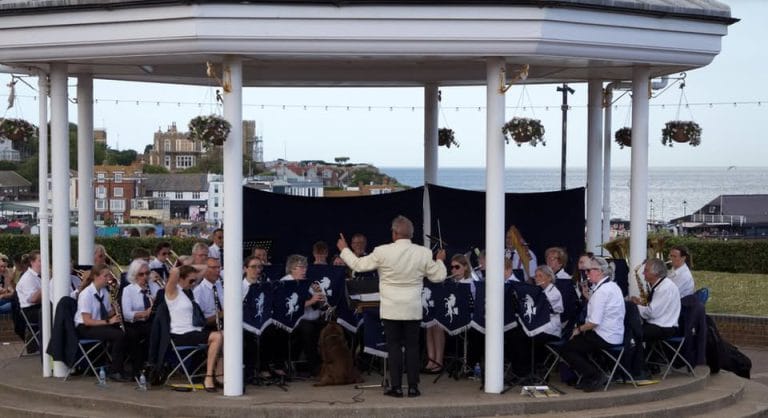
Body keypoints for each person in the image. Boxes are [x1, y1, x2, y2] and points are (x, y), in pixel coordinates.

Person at [338, 215, 447, 398]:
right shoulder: (423, 253)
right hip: (412, 308)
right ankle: (413, 387)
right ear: (410, 234)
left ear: (395, 233)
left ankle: (396, 387)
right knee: (412, 348)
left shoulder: (382, 251)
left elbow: (358, 265)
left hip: (391, 308)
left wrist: (344, 249)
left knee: (394, 347)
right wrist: (440, 260)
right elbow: (439, 276)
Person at [560, 256, 625, 392]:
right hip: (614, 334)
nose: (587, 273)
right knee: (576, 344)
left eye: (590, 271)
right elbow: (603, 308)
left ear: (600, 271)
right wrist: (589, 297)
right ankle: (589, 376)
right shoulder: (612, 286)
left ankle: (594, 375)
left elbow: (594, 322)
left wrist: (577, 329)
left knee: (567, 348)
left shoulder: (602, 291)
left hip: (604, 335)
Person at [165, 264, 223, 392]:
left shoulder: (189, 291)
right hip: (181, 334)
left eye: (195, 281)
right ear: (180, 279)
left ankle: (220, 374)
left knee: (225, 334)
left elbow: (205, 268)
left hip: (195, 331)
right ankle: (208, 377)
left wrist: (191, 271)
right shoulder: (173, 292)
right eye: (190, 280)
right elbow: (174, 271)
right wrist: (182, 265)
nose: (193, 283)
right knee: (217, 336)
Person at [74, 264, 131, 382]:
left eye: (108, 276)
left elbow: (105, 313)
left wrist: (115, 310)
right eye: (105, 276)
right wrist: (109, 321)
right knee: (118, 335)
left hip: (98, 323)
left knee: (128, 330)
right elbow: (87, 321)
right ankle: (115, 371)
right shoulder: (86, 294)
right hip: (85, 328)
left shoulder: (104, 292)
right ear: (95, 277)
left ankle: (123, 366)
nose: (108, 279)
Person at [508, 265, 564, 379]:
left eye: (540, 276)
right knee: (514, 337)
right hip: (535, 325)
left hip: (549, 329)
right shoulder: (535, 290)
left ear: (549, 278)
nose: (537, 279)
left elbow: (554, 310)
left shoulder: (554, 292)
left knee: (528, 341)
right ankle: (519, 372)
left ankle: (531, 372)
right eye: (536, 276)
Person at [629, 257, 681, 377]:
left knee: (633, 334)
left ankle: (640, 370)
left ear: (655, 273)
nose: (643, 273)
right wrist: (641, 304)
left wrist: (634, 306)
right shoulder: (660, 285)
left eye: (646, 270)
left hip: (664, 327)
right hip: (660, 323)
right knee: (634, 331)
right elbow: (657, 308)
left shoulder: (664, 288)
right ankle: (647, 365)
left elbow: (652, 313)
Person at [279, 254, 325, 376]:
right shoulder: (286, 282)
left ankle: (327, 363)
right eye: (301, 267)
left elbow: (319, 303)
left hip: (313, 318)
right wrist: (311, 301)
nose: (304, 270)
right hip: (293, 321)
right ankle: (314, 367)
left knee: (330, 328)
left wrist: (319, 293)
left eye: (305, 267)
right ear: (292, 269)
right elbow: (287, 306)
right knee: (308, 329)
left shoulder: (306, 282)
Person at [120, 259, 154, 378]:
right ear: (134, 275)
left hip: (150, 322)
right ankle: (137, 369)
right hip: (134, 323)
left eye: (147, 273)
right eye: (141, 274)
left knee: (157, 332)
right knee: (135, 336)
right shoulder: (128, 290)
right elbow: (127, 314)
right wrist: (145, 313)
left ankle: (153, 365)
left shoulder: (152, 288)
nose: (145, 277)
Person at [16, 251, 42, 352]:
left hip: (40, 307)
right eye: (40, 260)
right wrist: (47, 284)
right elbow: (33, 299)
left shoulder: (39, 276)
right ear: (32, 262)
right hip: (30, 311)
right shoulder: (28, 278)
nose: (43, 263)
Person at [192, 257, 224, 331]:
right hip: (209, 329)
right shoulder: (199, 291)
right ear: (205, 270)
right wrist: (221, 315)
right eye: (213, 268)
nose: (218, 270)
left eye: (219, 267)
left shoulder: (222, 285)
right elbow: (199, 321)